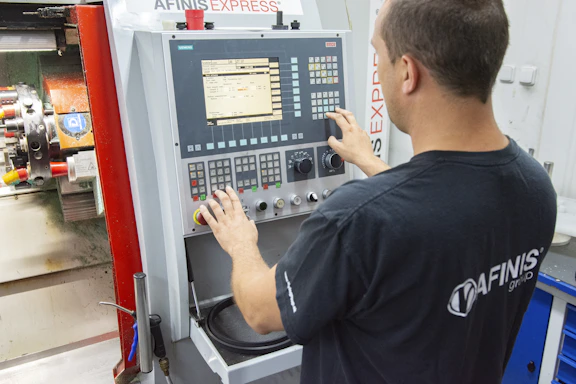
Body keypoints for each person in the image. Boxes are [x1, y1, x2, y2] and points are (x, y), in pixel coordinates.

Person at [199, 0, 558, 382]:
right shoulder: (534, 187)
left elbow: (258, 312)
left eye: (379, 55)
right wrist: (369, 163)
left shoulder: (355, 221)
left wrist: (240, 242)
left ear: (407, 72)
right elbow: (442, 212)